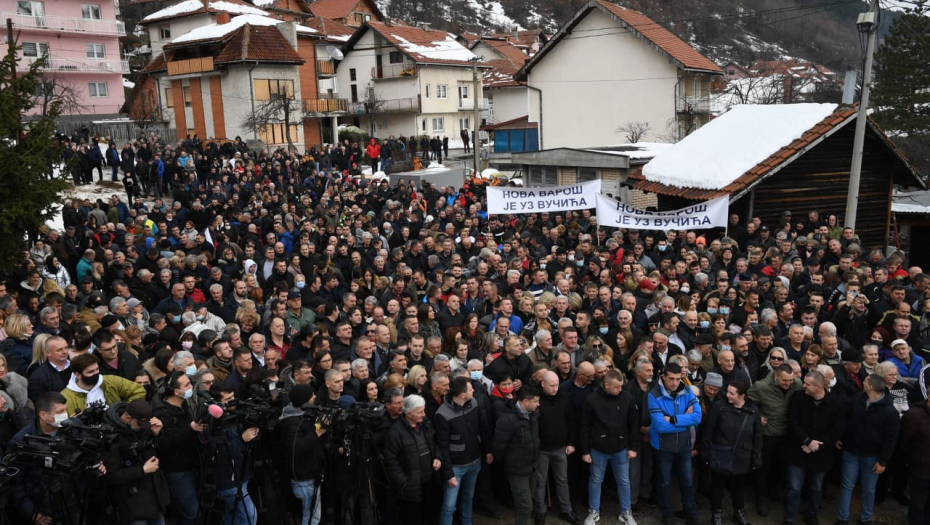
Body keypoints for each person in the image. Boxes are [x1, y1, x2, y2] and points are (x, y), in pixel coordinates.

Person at [835, 374, 900, 525]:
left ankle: (865, 518)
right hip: (851, 450)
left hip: (872, 456)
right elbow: (846, 418)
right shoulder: (857, 399)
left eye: (865, 381)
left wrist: (883, 461)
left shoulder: (890, 412)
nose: (862, 382)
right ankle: (842, 518)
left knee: (869, 489)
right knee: (846, 486)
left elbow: (891, 439)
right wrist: (841, 437)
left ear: (870, 386)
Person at [783, 371, 846, 525]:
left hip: (821, 454)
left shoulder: (836, 403)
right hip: (798, 450)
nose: (803, 385)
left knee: (816, 488)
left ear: (818, 386)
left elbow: (836, 431)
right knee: (794, 488)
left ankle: (812, 515)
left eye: (807, 384)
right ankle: (789, 518)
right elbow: (792, 421)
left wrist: (814, 445)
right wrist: (806, 441)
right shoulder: (798, 397)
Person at [580, 369, 640, 525]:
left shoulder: (627, 397)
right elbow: (584, 426)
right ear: (606, 385)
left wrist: (633, 447)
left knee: (624, 481)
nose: (620, 390)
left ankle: (626, 512)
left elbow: (634, 424)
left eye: (621, 386)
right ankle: (594, 512)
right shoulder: (592, 399)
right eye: (616, 387)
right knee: (595, 481)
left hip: (621, 448)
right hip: (598, 449)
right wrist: (585, 451)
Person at [701, 380, 763, 525]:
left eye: (731, 393)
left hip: (742, 455)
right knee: (717, 485)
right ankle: (716, 513)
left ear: (742, 395)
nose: (727, 395)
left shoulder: (753, 410)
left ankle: (739, 511)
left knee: (739, 486)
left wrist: (757, 457)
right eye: (727, 391)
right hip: (721, 453)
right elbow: (708, 431)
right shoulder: (719, 407)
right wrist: (705, 452)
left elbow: (757, 436)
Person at [434, 375, 493, 525]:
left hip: (474, 461)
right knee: (449, 506)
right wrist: (448, 474)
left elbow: (482, 427)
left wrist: (487, 450)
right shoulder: (442, 414)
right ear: (462, 395)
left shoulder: (473, 402)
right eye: (470, 389)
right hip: (456, 467)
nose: (473, 390)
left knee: (469, 497)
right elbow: (443, 445)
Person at [647, 362, 702, 525]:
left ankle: (692, 515)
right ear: (663, 377)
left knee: (687, 480)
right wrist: (685, 421)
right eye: (671, 378)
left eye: (678, 379)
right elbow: (660, 426)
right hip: (663, 446)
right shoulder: (654, 395)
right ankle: (667, 514)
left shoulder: (687, 391)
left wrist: (672, 419)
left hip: (684, 446)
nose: (674, 382)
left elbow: (697, 418)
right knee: (664, 481)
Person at [102, 399, 171, 525]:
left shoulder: (144, 426)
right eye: (140, 425)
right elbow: (111, 476)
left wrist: (158, 435)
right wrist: (142, 470)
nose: (143, 428)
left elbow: (165, 454)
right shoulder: (111, 437)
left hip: (155, 497)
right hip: (132, 504)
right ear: (128, 417)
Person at [746, 363, 801, 517]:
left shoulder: (796, 384)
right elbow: (747, 402)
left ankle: (775, 491)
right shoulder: (761, 387)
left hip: (786, 434)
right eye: (785, 381)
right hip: (767, 435)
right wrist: (757, 416)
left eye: (791, 380)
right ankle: (760, 498)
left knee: (781, 466)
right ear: (776, 376)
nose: (788, 384)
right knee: (763, 468)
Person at [383, 394, 441, 525]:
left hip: (429, 481)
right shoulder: (395, 432)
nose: (423, 414)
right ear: (408, 413)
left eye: (424, 410)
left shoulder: (425, 423)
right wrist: (405, 483)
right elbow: (391, 462)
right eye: (420, 412)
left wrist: (437, 457)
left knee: (429, 516)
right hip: (410, 488)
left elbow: (434, 443)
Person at [153, 371, 203, 525]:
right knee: (191, 513)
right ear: (176, 391)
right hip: (178, 472)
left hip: (194, 465)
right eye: (187, 385)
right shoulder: (163, 413)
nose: (191, 387)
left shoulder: (185, 406)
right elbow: (167, 443)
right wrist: (190, 428)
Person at [276, 384, 327, 525]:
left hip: (309, 475)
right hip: (304, 478)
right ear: (304, 400)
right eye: (311, 395)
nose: (315, 397)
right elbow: (297, 448)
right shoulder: (292, 422)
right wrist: (316, 434)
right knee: (311, 518)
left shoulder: (302, 416)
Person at [535, 371, 581, 525]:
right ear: (543, 384)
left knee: (562, 480)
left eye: (557, 385)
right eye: (552, 386)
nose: (555, 388)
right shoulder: (537, 399)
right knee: (540, 482)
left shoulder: (564, 398)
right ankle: (540, 512)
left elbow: (571, 421)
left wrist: (571, 442)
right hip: (541, 448)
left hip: (560, 447)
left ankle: (566, 510)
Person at [493, 385, 542, 525]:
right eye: (536, 401)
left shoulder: (533, 414)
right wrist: (510, 462)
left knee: (526, 503)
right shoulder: (507, 420)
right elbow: (498, 447)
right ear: (526, 401)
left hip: (532, 467)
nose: (538, 404)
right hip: (517, 470)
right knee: (525, 506)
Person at [61, 353, 146, 415]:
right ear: (78, 375)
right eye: (90, 372)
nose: (95, 373)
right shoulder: (66, 396)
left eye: (97, 369)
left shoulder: (110, 381)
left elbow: (139, 390)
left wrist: (125, 411)